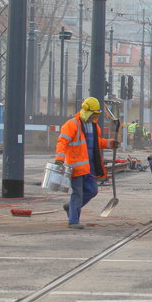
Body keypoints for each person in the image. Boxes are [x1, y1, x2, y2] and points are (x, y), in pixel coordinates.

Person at [56, 97, 118, 229]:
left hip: (90, 167)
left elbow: (97, 143)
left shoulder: (94, 127)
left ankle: (70, 207)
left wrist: (110, 143)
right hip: (76, 167)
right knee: (77, 193)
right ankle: (73, 221)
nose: (95, 116)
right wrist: (60, 158)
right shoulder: (72, 125)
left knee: (92, 191)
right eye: (94, 114)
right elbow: (62, 142)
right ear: (87, 111)